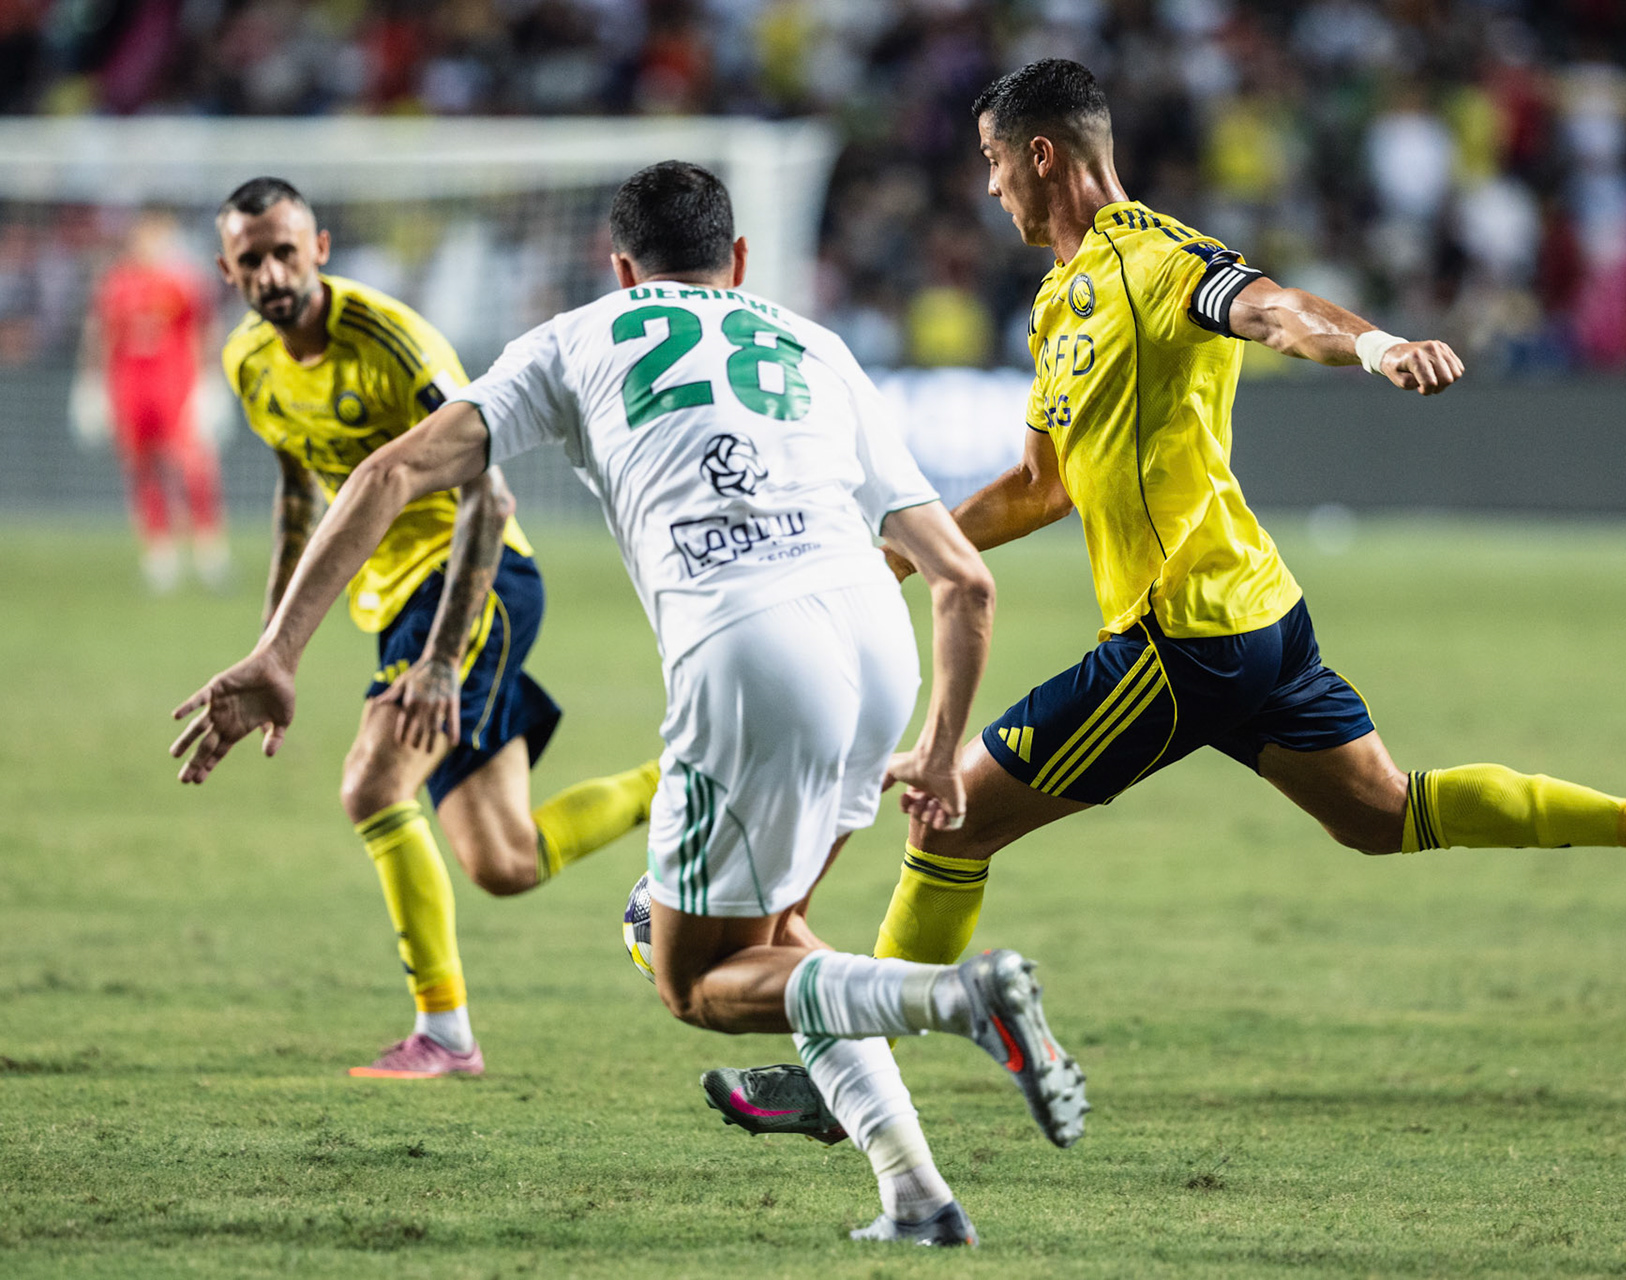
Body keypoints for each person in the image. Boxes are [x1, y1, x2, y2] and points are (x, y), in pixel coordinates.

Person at [706, 58, 1626, 1136]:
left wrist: (1375, 342)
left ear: (1041, 157)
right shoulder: (1061, 304)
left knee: (952, 820)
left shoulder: (1160, 259)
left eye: (996, 164)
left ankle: (844, 1074)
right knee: (1385, 814)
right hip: (1258, 622)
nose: (990, 186)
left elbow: (1279, 310)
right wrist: (894, 555)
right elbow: (1042, 486)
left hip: (1179, 639)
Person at [169, 161, 1089, 1246]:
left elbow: (383, 477)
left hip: (749, 657)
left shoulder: (577, 338)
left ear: (620, 267)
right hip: (878, 646)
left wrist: (278, 651)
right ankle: (917, 1195)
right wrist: (938, 744)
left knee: (687, 965)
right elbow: (962, 578)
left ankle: (959, 998)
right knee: (780, 932)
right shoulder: (818, 345)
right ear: (739, 263)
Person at [185, 176, 661, 1079]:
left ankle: (444, 1035)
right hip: (396, 600)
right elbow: (301, 496)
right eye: (253, 259)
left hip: (470, 586)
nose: (273, 271)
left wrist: (442, 658)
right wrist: (269, 648)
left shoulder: (394, 343)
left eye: (287, 250)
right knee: (505, 858)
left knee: (371, 785)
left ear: (319, 247)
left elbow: (490, 493)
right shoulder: (249, 362)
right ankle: (678, 781)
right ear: (228, 271)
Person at [77, 209, 229, 592]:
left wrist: (210, 383)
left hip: (175, 383)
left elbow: (205, 329)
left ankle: (209, 547)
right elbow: (100, 333)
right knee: (141, 466)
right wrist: (91, 384)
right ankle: (160, 551)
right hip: (130, 386)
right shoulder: (116, 283)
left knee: (193, 463)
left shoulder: (183, 281)